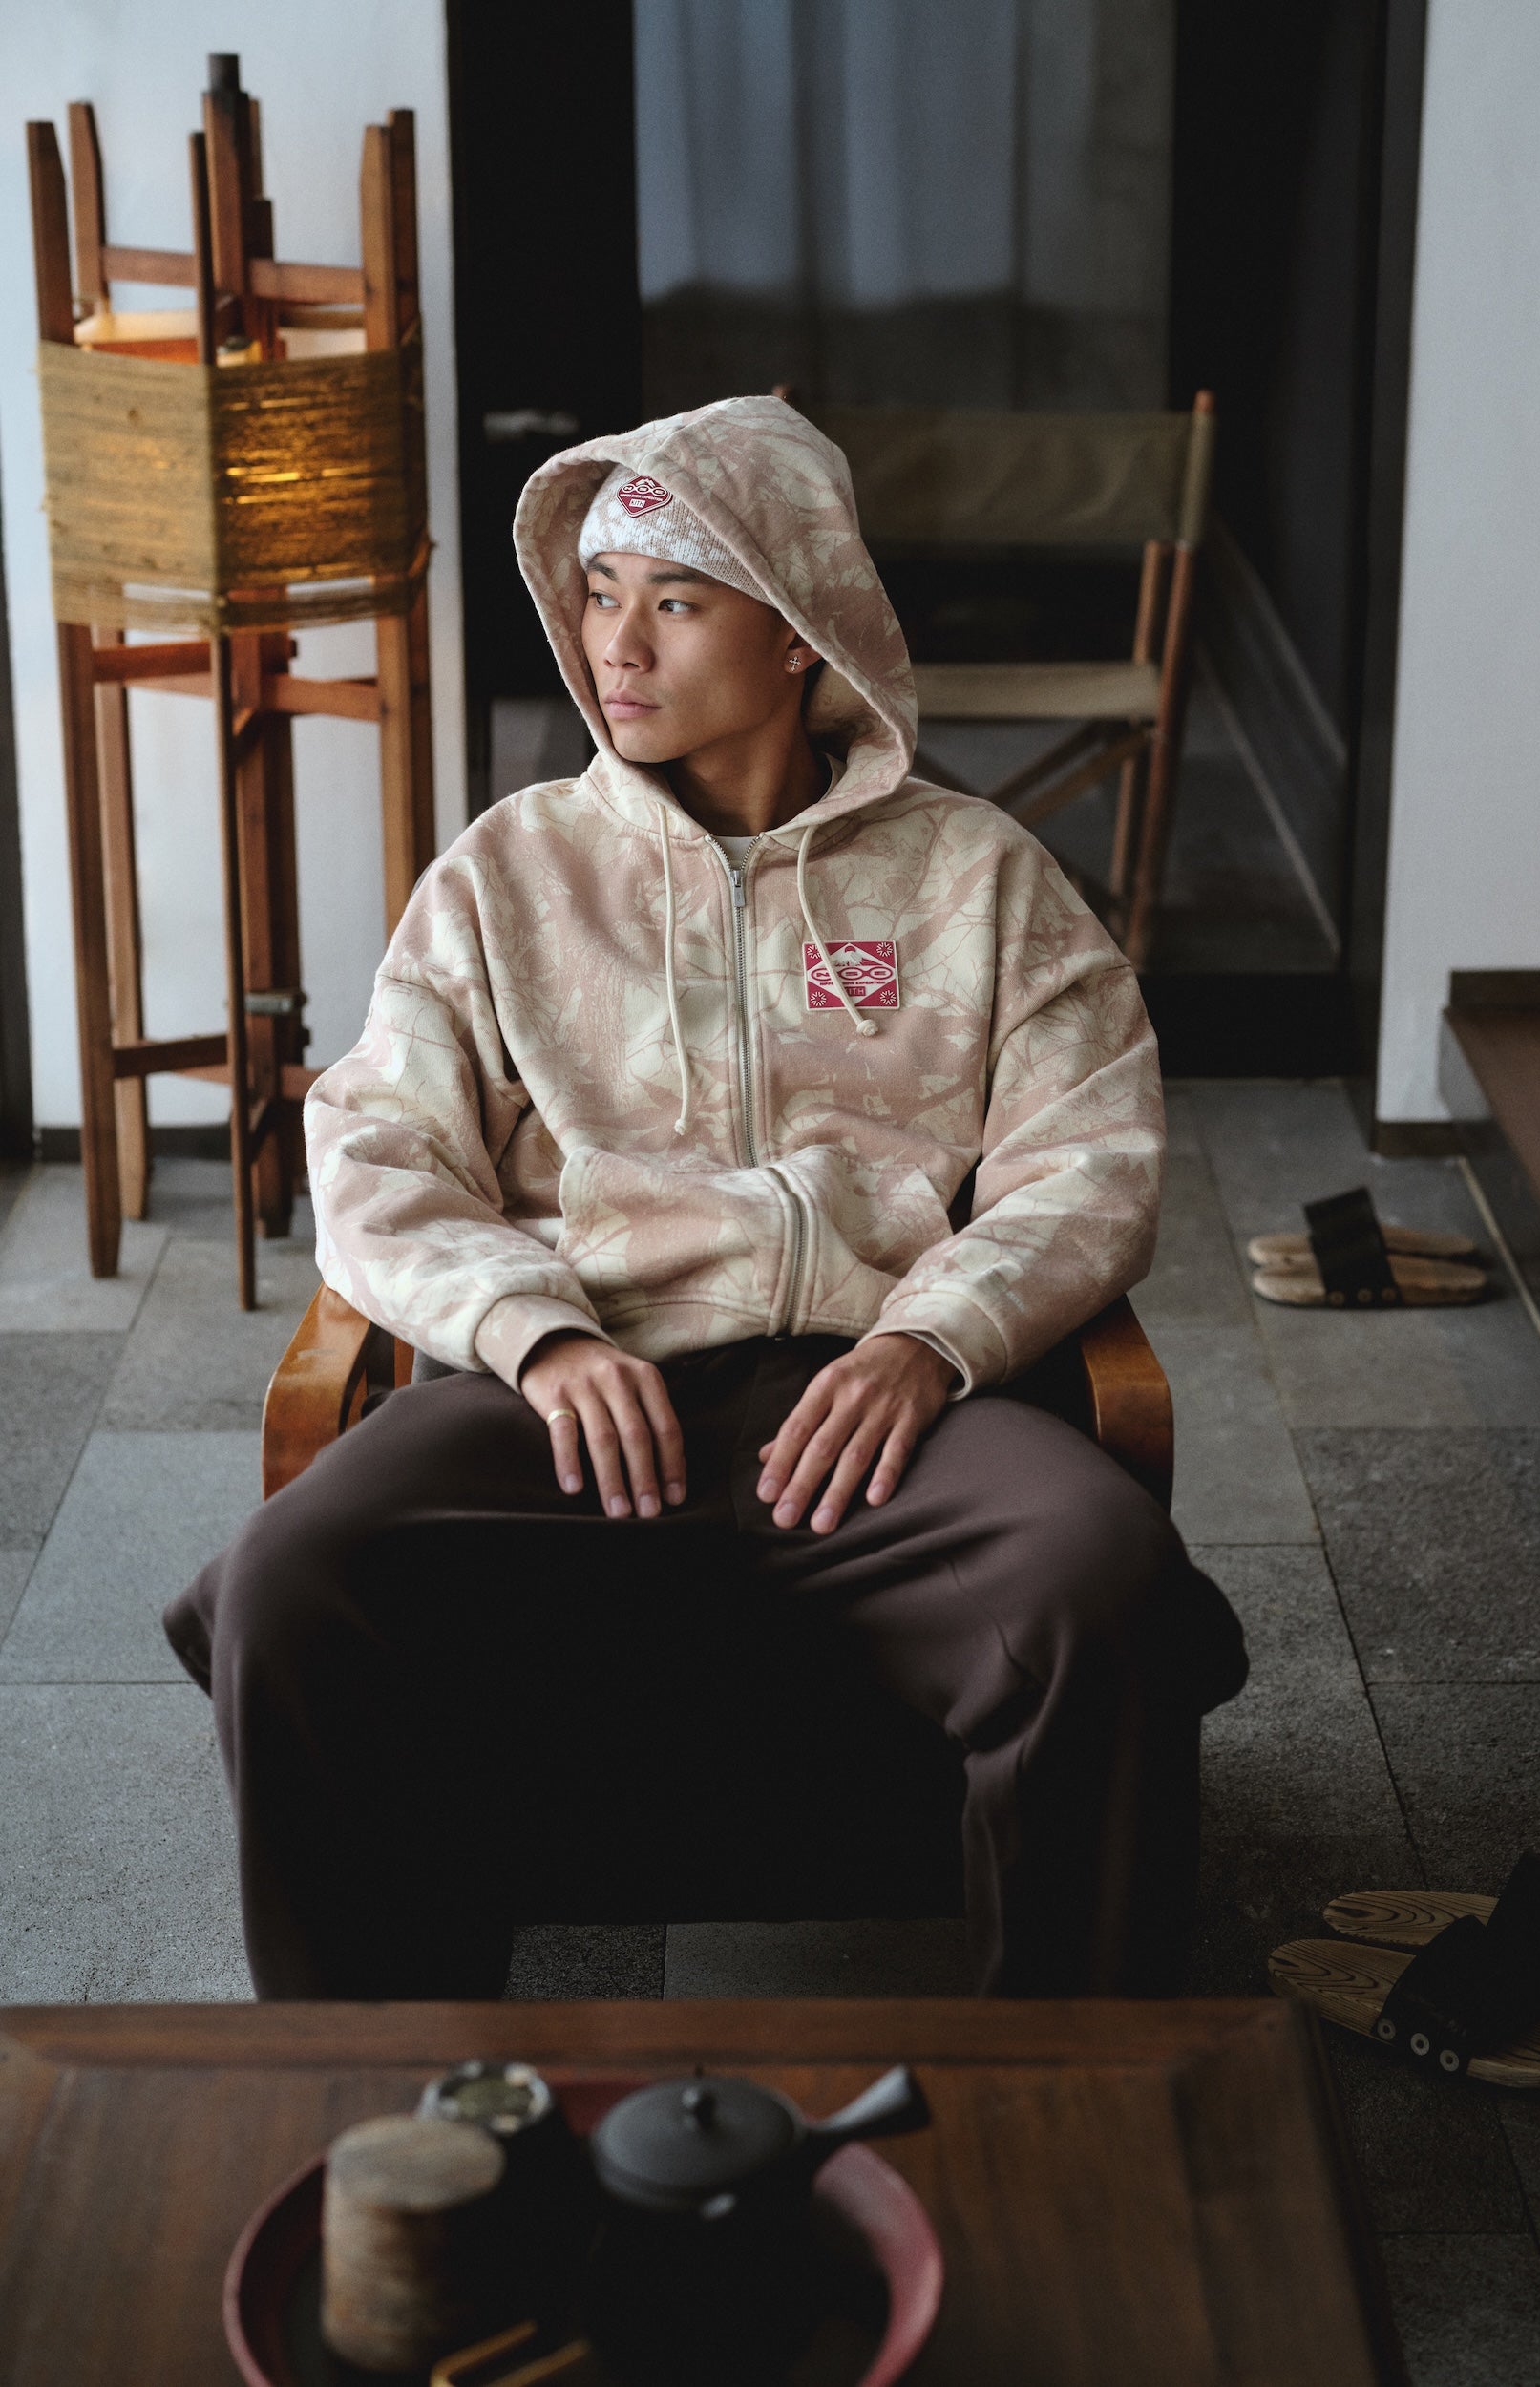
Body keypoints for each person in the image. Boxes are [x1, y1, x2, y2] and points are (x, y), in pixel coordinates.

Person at [165, 395, 1246, 1999]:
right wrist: (536, 1336)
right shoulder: (509, 874)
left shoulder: (978, 878)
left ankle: (1075, 2101)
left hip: (885, 1413)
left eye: (674, 602)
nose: (616, 645)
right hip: (569, 1400)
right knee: (289, 1583)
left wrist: (929, 1342)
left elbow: (1091, 1158)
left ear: (801, 629)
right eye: (601, 594)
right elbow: (379, 1150)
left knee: (1100, 1573)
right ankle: (397, 2106)